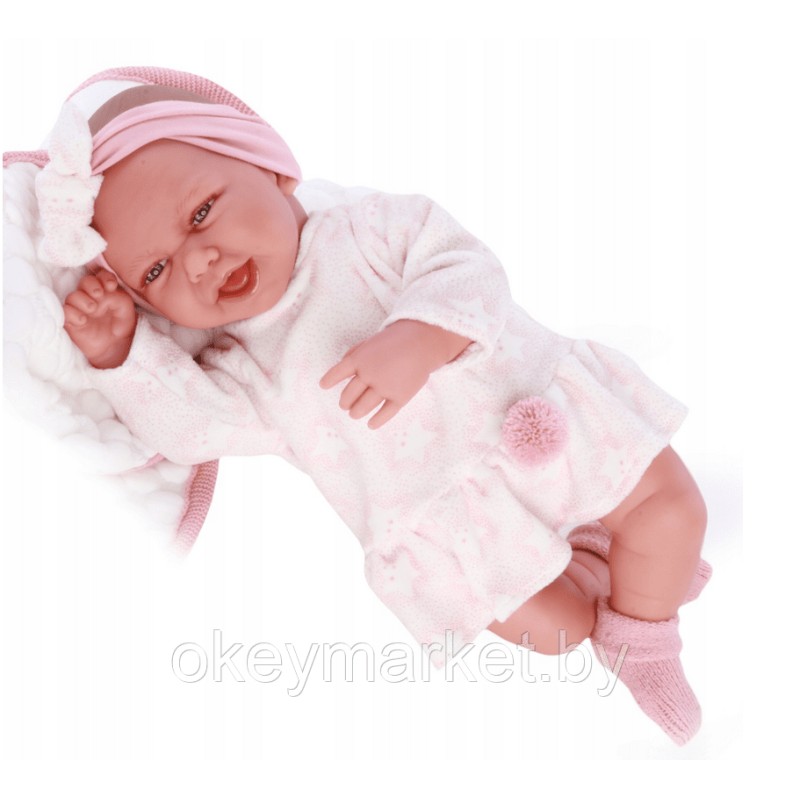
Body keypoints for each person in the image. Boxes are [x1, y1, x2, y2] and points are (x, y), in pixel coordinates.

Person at [38, 67, 709, 744]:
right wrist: (121, 355)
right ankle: (599, 571)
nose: (199, 261)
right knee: (557, 632)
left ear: (270, 170)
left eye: (202, 212)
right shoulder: (242, 366)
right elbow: (191, 429)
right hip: (448, 518)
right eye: (156, 271)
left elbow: (468, 268)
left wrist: (420, 336)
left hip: (542, 418)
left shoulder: (368, 231)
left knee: (675, 513)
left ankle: (646, 642)